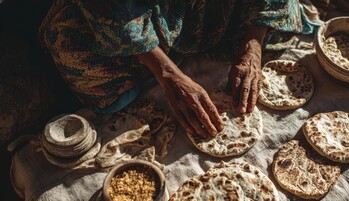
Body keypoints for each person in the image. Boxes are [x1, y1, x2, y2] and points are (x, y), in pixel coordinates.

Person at [39, 0, 316, 138]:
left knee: (279, 28)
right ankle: (153, 55)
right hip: (137, 9)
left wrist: (253, 45)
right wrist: (167, 72)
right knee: (72, 47)